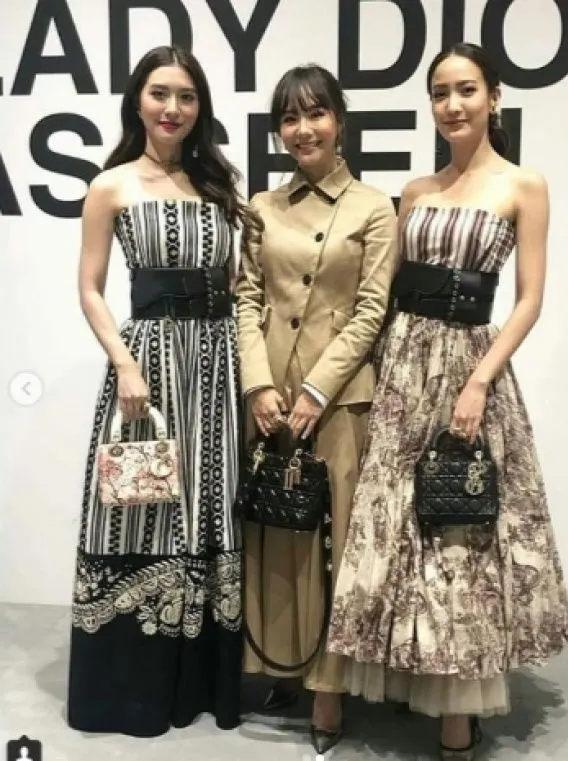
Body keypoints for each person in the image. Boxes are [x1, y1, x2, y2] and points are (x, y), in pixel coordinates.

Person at [327, 42, 568, 759]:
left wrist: (479, 381)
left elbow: (528, 300)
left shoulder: (523, 185)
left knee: (457, 525)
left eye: (466, 89)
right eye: (439, 92)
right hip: (404, 364)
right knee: (394, 525)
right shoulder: (416, 191)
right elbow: (387, 293)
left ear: (493, 97)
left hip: (470, 363)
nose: (452, 104)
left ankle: (456, 709)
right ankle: (399, 672)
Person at [67, 45, 257, 737]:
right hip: (148, 364)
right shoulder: (111, 185)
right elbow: (90, 287)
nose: (173, 108)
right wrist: (123, 362)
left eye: (186, 96)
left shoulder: (218, 184)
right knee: (140, 507)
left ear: (200, 106)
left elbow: (238, 284)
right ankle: (131, 690)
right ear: (138, 101)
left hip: (217, 364)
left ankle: (201, 684)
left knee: (211, 506)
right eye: (160, 93)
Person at [235, 64, 398, 754]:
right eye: (289, 118)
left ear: (340, 121)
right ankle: (281, 662)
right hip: (269, 399)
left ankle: (329, 688)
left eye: (316, 113)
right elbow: (246, 298)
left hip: (338, 403)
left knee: (334, 543)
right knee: (276, 536)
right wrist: (257, 383)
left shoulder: (374, 207)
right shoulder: (263, 206)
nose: (303, 129)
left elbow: (371, 312)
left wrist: (317, 389)